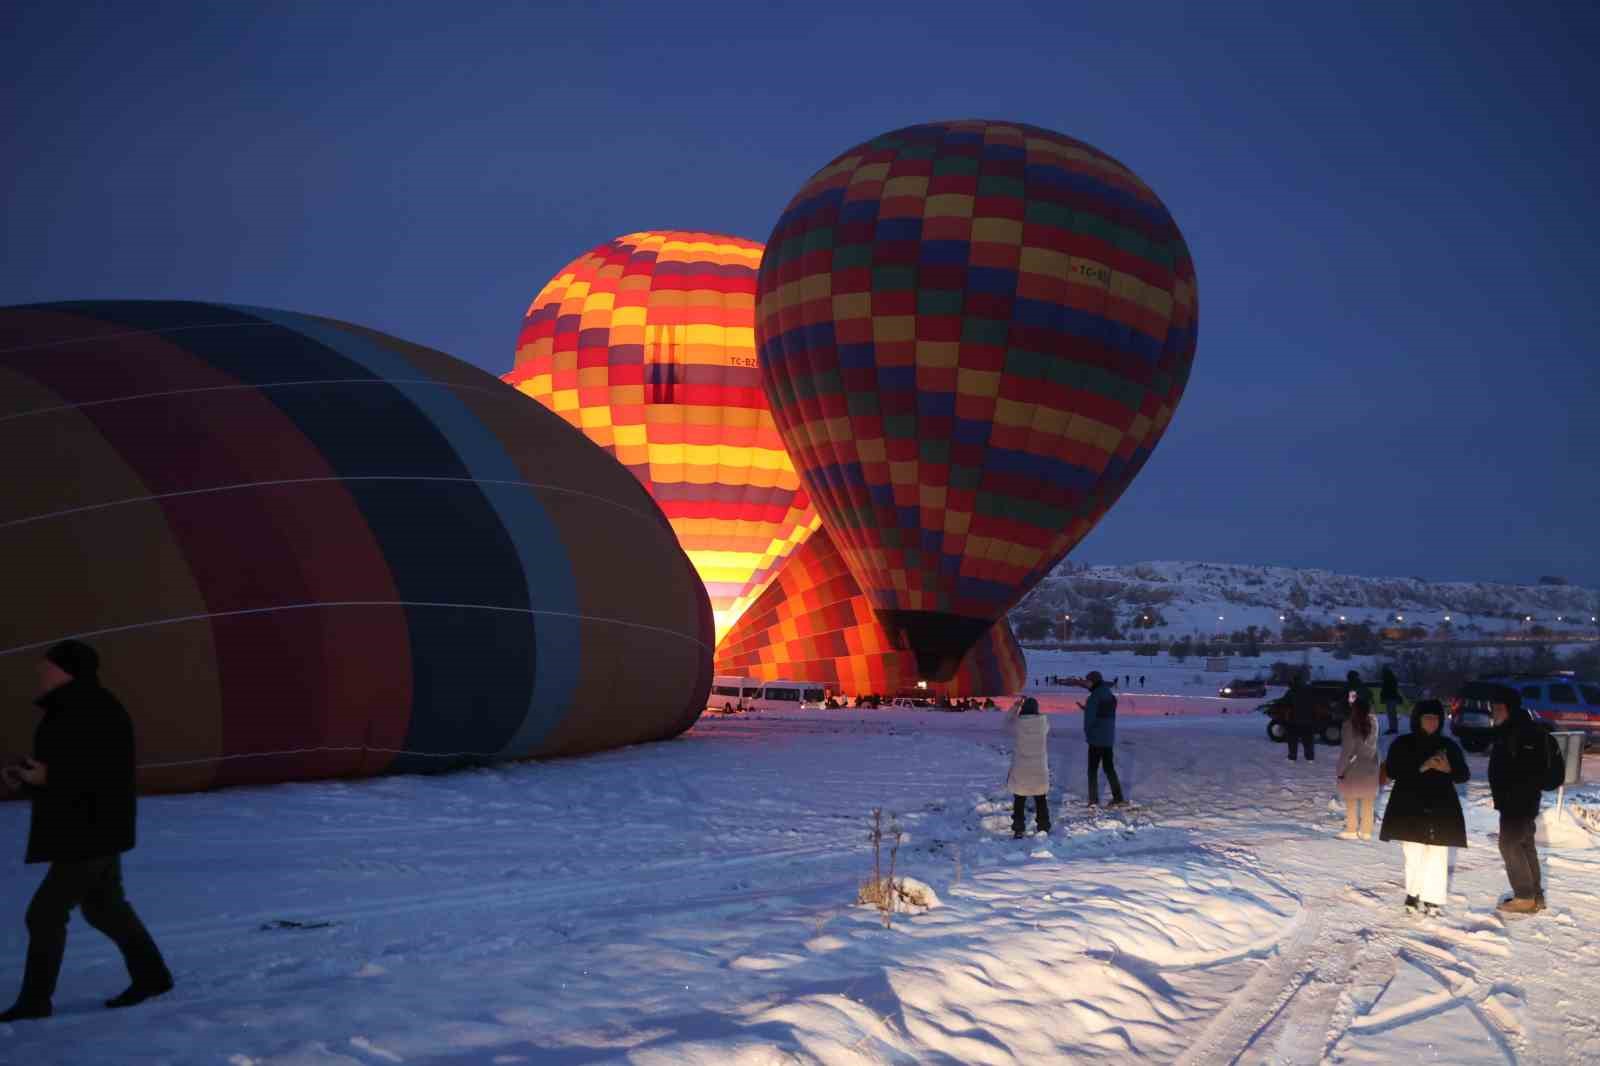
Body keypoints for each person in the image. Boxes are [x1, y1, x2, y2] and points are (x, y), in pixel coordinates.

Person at [0, 641, 173, 1023]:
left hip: (90, 828)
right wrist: (30, 777)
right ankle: (153, 976)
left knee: (44, 914)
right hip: (89, 826)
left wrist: (48, 776)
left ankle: (35, 1002)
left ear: (68, 671)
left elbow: (106, 774)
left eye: (47, 668)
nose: (40, 674)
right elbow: (72, 766)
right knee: (104, 907)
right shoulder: (73, 707)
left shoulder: (93, 710)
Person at [1379, 700, 1469, 917]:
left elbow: (1463, 774)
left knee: (1438, 853)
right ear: (1417, 720)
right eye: (1427, 717)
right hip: (1409, 805)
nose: (1431, 722)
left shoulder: (1449, 745)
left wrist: (1448, 768)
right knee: (1414, 852)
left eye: (1435, 718)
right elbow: (1392, 770)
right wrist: (1422, 767)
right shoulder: (1403, 743)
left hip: (1441, 806)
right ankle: (1413, 893)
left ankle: (1433, 898)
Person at [1487, 687, 1549, 914]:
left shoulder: (1517, 732)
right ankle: (1535, 896)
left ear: (1511, 709)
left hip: (1517, 801)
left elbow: (1525, 767)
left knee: (1510, 845)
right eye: (1493, 708)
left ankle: (1524, 897)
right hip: (1523, 800)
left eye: (1499, 708)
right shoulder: (1521, 728)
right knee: (1525, 845)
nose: (1495, 713)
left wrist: (1513, 793)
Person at [1005, 697, 1051, 838]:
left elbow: (1007, 723)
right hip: (1039, 767)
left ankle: (1018, 828)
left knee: (1019, 799)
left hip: (1021, 768)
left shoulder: (1018, 724)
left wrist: (1015, 707)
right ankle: (1043, 826)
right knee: (1041, 799)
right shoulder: (1043, 723)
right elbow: (1047, 727)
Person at [1337, 693, 1380, 839]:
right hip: (1371, 765)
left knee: (1351, 799)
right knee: (1368, 800)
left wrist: (1341, 770)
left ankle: (1351, 829)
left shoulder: (1349, 725)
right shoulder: (1374, 723)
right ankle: (1366, 831)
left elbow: (1348, 749)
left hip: (1354, 767)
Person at [1081, 671, 1124, 806]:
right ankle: (1118, 797)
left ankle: (1093, 800)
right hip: (1108, 738)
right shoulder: (1109, 695)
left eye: (1087, 681)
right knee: (1109, 767)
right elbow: (1103, 713)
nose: (1086, 683)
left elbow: (1090, 720)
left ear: (1093, 681)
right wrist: (1088, 709)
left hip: (1096, 739)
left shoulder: (1094, 697)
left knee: (1092, 770)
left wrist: (1088, 733)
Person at [1284, 674, 1318, 762]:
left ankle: (1292, 757)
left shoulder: (1291, 692)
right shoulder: (1309, 690)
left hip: (1294, 720)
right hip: (1308, 719)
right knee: (1308, 740)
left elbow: (1285, 703)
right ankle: (1310, 758)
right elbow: (1315, 703)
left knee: (1292, 740)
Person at [1380, 666, 1402, 735]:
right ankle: (1393, 728)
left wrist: (1383, 696)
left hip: (1390, 699)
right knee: (1392, 714)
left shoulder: (1387, 679)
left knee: (1391, 714)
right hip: (1392, 698)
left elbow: (1386, 690)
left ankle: (1393, 729)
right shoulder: (1392, 678)